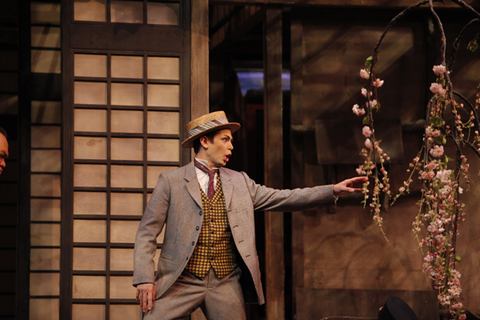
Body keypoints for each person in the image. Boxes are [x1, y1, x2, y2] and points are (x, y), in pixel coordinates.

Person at [133, 111, 367, 320]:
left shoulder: (240, 181)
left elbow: (283, 197)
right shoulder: (171, 182)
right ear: (204, 141)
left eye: (231, 141)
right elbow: (147, 233)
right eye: (225, 139)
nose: (231, 146)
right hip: (181, 280)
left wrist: (330, 190)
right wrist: (144, 278)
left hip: (224, 281)